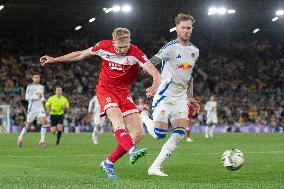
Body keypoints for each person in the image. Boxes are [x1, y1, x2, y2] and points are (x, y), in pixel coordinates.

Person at [40, 27, 161, 179]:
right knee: (118, 122)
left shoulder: (135, 52)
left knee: (138, 133)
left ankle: (108, 162)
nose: (124, 50)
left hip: (124, 92)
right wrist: (55, 59)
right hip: (106, 90)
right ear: (113, 42)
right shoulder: (103, 46)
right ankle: (132, 150)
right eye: (120, 47)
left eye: (126, 46)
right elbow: (80, 54)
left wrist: (155, 84)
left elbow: (155, 73)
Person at [140, 13, 200, 176]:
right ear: (177, 29)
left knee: (180, 133)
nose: (186, 31)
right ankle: (144, 118)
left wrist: (190, 96)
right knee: (160, 134)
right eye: (183, 28)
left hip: (181, 97)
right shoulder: (170, 48)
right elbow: (149, 63)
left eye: (189, 28)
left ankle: (155, 167)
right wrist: (155, 80)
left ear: (191, 29)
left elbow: (189, 76)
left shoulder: (195, 51)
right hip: (165, 95)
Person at [17, 73, 49, 148]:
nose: (37, 78)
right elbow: (26, 97)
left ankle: (42, 141)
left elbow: (42, 97)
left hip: (40, 107)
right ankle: (20, 137)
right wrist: (37, 97)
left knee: (44, 122)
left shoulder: (41, 87)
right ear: (33, 78)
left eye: (38, 77)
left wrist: (44, 99)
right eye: (35, 77)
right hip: (32, 108)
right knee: (28, 125)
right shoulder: (29, 86)